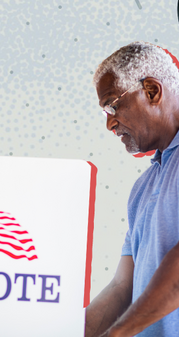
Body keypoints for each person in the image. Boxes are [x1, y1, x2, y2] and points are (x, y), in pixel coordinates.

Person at [85, 41, 179, 337]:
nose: (110, 124)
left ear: (152, 90)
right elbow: (122, 287)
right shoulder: (142, 189)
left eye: (113, 105)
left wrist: (118, 333)